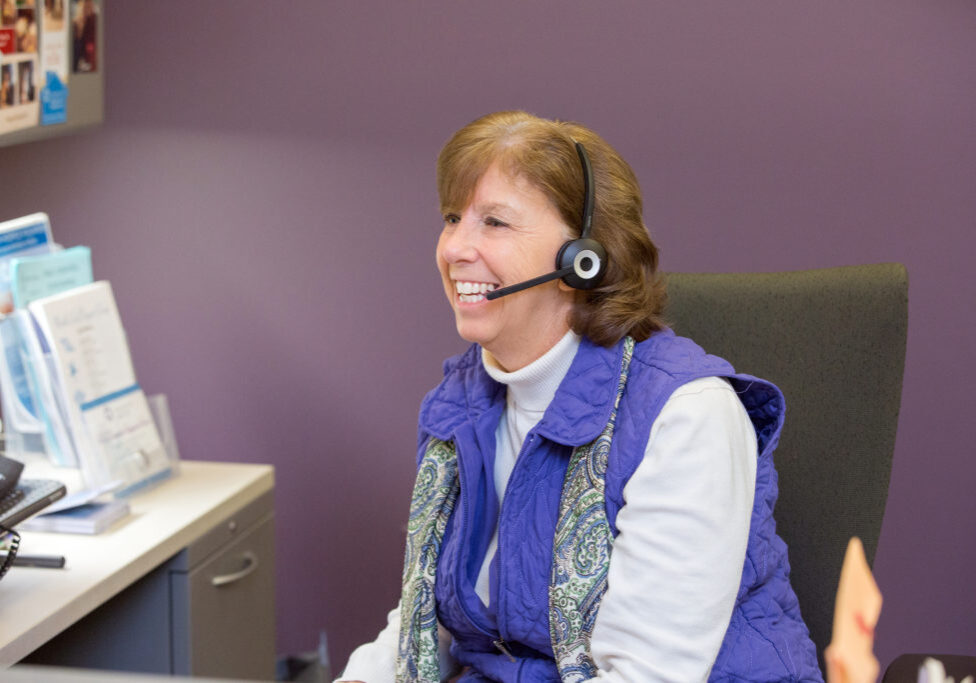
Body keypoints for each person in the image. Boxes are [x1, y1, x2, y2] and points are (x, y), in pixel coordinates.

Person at [337, 111, 822, 682]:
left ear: (583, 260)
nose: (455, 248)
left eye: (494, 222)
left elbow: (644, 675)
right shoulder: (461, 404)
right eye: (452, 217)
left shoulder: (689, 417)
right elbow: (427, 621)